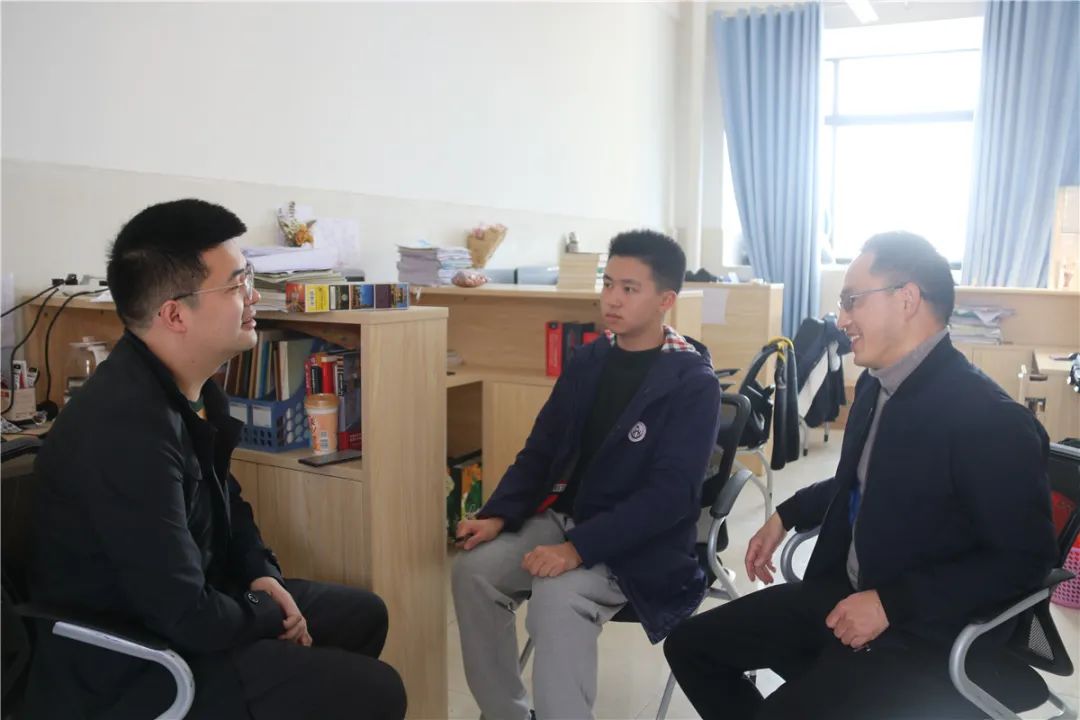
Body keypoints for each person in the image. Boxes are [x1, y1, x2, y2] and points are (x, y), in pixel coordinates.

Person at [26, 199, 406, 719]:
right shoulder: (124, 430)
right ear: (174, 314)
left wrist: (261, 574)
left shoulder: (197, 391)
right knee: (375, 691)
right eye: (236, 285)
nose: (253, 296)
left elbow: (230, 509)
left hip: (195, 605)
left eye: (247, 277)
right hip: (135, 657)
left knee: (363, 615)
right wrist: (266, 613)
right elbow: (184, 613)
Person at [664, 231, 1057, 719]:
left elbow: (1023, 560)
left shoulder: (988, 420)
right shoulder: (876, 387)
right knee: (690, 646)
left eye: (852, 301)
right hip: (844, 600)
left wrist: (891, 603)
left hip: (924, 632)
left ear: (907, 299)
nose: (841, 318)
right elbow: (869, 482)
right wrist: (788, 512)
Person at [452, 229, 722, 720]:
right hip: (561, 521)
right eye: (608, 284)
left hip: (635, 543)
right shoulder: (589, 360)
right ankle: (507, 714)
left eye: (629, 289)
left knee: (557, 597)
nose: (612, 299)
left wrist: (578, 549)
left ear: (665, 301)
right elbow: (541, 451)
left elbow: (671, 497)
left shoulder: (691, 383)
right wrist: (498, 515)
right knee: (473, 571)